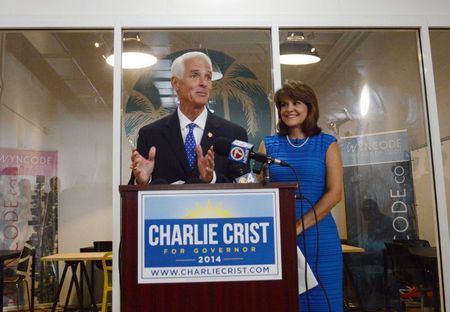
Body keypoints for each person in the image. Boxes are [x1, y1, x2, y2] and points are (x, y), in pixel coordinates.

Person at [259, 81, 343, 311]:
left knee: (323, 303)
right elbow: (257, 193)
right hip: (277, 240)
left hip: (319, 239)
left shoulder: (327, 143)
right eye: (283, 104)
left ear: (309, 107)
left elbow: (335, 193)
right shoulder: (267, 145)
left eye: (296, 102)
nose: (289, 109)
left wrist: (296, 227)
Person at [129, 51, 248, 185]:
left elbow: (244, 186)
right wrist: (143, 181)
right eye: (195, 75)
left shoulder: (235, 135)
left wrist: (212, 179)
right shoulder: (150, 135)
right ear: (175, 83)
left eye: (208, 77)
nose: (204, 83)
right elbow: (134, 194)